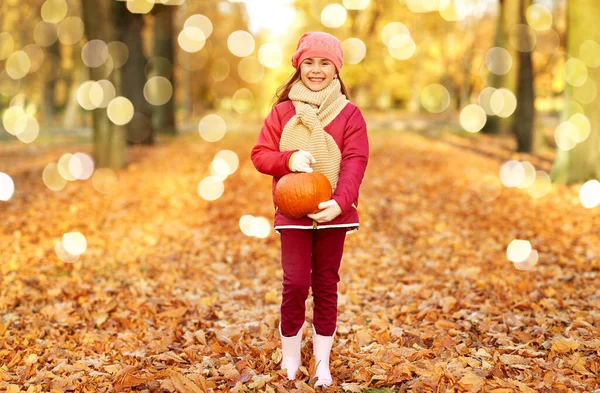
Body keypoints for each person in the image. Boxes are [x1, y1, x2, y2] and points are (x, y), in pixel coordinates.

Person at [250, 31, 369, 387]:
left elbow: (355, 160)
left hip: (334, 213)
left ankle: (321, 362)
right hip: (293, 214)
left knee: (326, 284)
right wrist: (289, 159)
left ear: (336, 69)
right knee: (296, 283)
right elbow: (260, 155)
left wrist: (340, 202)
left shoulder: (349, 114)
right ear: (298, 66)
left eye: (325, 63)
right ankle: (290, 359)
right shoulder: (283, 112)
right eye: (309, 62)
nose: (316, 70)